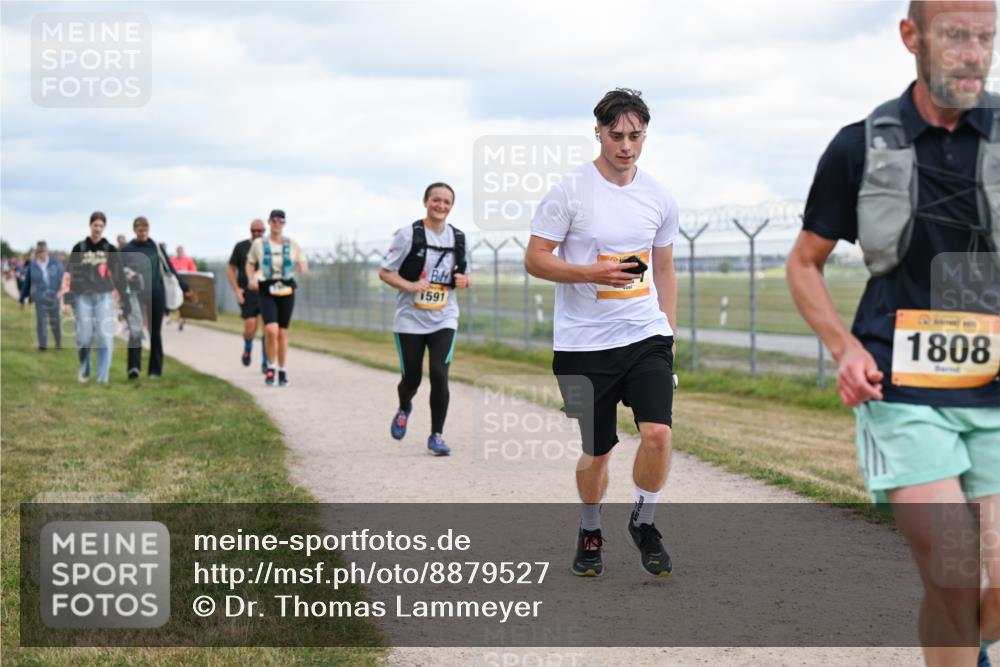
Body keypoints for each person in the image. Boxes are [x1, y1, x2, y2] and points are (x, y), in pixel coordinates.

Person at [787, 3, 1000, 665]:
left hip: (993, 394)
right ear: (911, 36)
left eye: (986, 36)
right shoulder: (860, 145)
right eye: (955, 35)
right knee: (956, 575)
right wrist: (843, 348)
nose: (974, 53)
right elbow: (803, 263)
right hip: (900, 389)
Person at [526, 88, 679, 578]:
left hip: (644, 334)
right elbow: (535, 259)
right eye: (617, 135)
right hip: (582, 344)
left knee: (657, 433)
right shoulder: (569, 191)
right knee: (598, 450)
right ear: (599, 132)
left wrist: (669, 337)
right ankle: (590, 527)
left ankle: (644, 520)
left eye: (636, 136)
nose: (627, 146)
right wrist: (589, 273)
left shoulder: (658, 196)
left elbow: (666, 269)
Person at [379, 183, 470, 457]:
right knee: (412, 379)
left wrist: (465, 281)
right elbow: (385, 272)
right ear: (426, 202)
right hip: (410, 318)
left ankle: (436, 435)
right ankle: (405, 406)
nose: (441, 206)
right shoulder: (408, 235)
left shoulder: (459, 238)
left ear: (451, 206)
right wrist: (409, 286)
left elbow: (465, 275)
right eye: (436, 200)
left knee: (440, 375)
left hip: (445, 317)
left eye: (446, 202)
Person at [59, 211, 128, 385]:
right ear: (90, 225)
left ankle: (102, 377)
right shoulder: (79, 247)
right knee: (84, 337)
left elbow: (119, 275)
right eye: (95, 225)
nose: (98, 228)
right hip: (82, 297)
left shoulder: (109, 249)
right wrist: (67, 301)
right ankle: (85, 368)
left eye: (101, 225)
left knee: (104, 337)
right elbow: (70, 274)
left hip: (103, 296)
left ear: (104, 227)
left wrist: (124, 298)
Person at [121, 217, 191, 380]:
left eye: (145, 230)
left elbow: (170, 268)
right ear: (135, 230)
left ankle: (155, 370)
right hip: (136, 293)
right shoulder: (127, 249)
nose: (143, 233)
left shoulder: (156, 247)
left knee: (155, 332)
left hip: (156, 292)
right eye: (140, 230)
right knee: (135, 329)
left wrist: (184, 286)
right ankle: (133, 368)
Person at [246, 209, 307, 387]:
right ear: (269, 222)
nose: (277, 223)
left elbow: (302, 261)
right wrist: (251, 279)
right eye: (274, 220)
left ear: (284, 223)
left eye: (280, 220)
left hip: (286, 290)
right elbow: (249, 263)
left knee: (282, 333)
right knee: (271, 330)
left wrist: (302, 266)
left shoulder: (292, 244)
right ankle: (270, 366)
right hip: (266, 289)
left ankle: (282, 370)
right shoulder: (259, 244)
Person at [227, 219, 268, 371]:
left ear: (264, 231)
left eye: (260, 231)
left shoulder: (268, 246)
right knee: (250, 327)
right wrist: (237, 290)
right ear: (250, 231)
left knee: (267, 327)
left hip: (265, 291)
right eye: (254, 231)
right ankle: (248, 348)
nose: (257, 233)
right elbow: (230, 269)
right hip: (247, 292)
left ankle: (266, 361)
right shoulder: (241, 247)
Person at [19, 241, 64, 351]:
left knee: (55, 321)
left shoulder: (55, 263)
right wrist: (22, 299)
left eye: (44, 251)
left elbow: (63, 278)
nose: (43, 254)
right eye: (40, 252)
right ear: (37, 253)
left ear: (47, 251)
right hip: (39, 297)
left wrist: (61, 291)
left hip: (54, 296)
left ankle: (58, 343)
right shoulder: (32, 266)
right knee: (41, 321)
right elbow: (27, 284)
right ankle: (43, 345)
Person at [170, 246, 197, 331]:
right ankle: (180, 318)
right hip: (175, 284)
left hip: (185, 283)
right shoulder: (172, 260)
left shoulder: (188, 260)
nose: (180, 253)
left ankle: (182, 319)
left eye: (181, 251)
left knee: (184, 301)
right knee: (178, 302)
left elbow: (194, 270)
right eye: (179, 251)